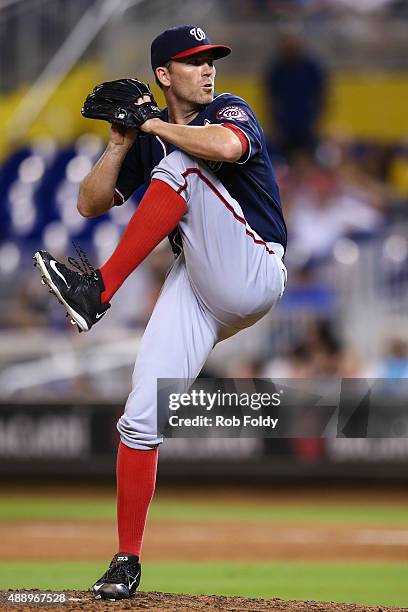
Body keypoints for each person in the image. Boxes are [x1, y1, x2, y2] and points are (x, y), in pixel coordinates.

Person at [34, 25, 288, 600]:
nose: (208, 68)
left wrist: (148, 123)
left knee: (182, 165)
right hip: (197, 284)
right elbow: (89, 202)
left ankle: (98, 291)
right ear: (164, 75)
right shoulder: (152, 136)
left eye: (211, 59)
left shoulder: (229, 109)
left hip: (252, 267)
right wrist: (123, 138)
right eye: (193, 61)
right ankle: (127, 559)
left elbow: (223, 148)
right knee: (140, 417)